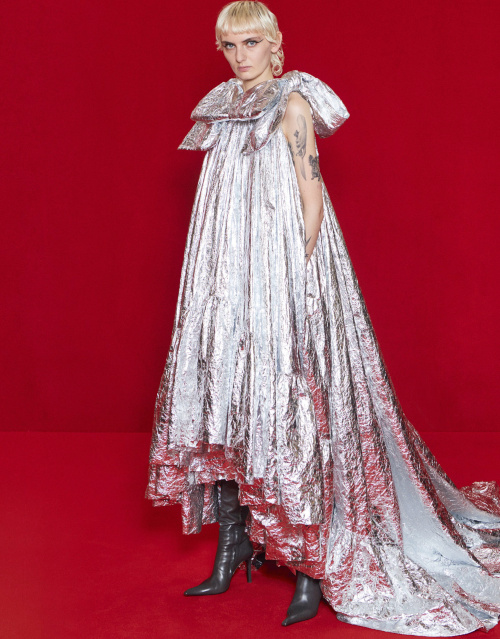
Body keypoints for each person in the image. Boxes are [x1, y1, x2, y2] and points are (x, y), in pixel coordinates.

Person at [145, 1, 500, 633]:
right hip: (228, 276)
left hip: (287, 271)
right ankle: (234, 545)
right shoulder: (221, 109)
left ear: (274, 44)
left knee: (296, 400)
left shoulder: (293, 103)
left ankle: (311, 564)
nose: (240, 56)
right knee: (227, 394)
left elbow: (311, 193)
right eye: (230, 45)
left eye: (251, 43)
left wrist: (296, 274)